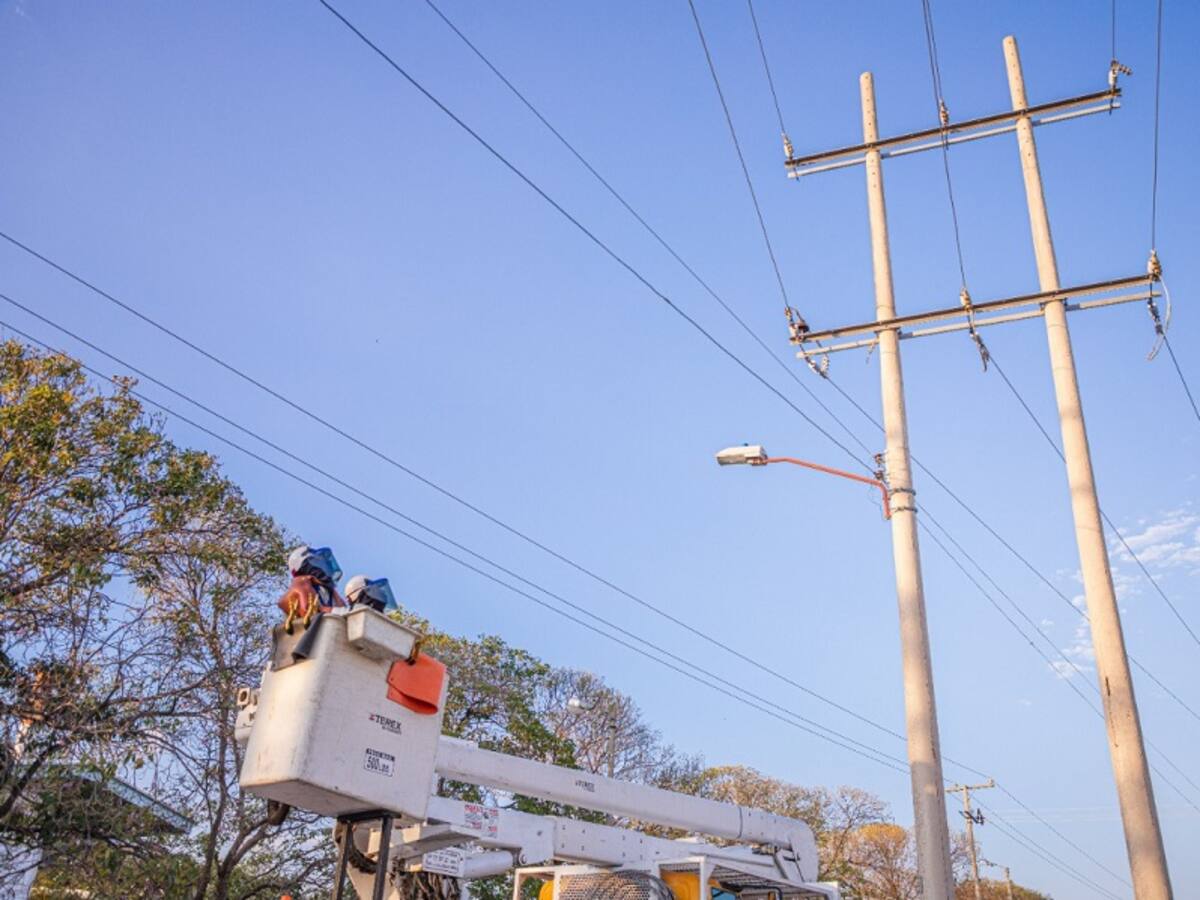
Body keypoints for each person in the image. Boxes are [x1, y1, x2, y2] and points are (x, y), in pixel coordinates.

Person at [277, 545, 345, 631]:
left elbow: (345, 613)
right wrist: (343, 612)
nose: (325, 567)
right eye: (319, 562)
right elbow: (310, 611)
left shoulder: (330, 591)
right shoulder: (301, 583)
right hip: (305, 638)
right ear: (306, 565)